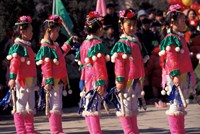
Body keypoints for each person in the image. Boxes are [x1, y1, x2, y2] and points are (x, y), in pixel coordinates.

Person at [159, 4, 195, 134]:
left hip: (183, 75)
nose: (184, 21)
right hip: (176, 77)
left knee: (180, 107)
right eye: (181, 19)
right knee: (175, 107)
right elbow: (171, 59)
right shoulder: (171, 39)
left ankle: (179, 131)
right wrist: (175, 74)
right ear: (173, 21)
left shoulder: (179, 37)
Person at [35, 15, 75, 134]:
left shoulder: (54, 46)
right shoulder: (46, 47)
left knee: (57, 105)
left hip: (58, 80)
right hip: (52, 81)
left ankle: (58, 130)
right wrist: (48, 81)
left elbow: (61, 52)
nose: (58, 34)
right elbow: (46, 66)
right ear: (48, 31)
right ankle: (55, 131)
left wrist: (69, 42)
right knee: (54, 106)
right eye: (56, 31)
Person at [110, 9, 145, 134]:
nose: (132, 28)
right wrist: (119, 80)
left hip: (135, 80)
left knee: (133, 108)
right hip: (125, 81)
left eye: (134, 25)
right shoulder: (121, 43)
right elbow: (119, 64)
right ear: (122, 25)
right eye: (128, 25)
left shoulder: (136, 42)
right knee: (125, 108)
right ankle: (129, 131)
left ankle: (134, 131)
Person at [75, 11, 109, 134]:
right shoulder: (96, 44)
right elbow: (98, 64)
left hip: (85, 78)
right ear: (99, 29)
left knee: (89, 106)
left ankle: (92, 131)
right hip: (94, 77)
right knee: (94, 106)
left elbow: (81, 62)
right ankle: (96, 132)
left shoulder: (84, 43)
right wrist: (101, 81)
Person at [6, 16, 39, 133]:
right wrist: (12, 78)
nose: (32, 32)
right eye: (30, 30)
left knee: (30, 105)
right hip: (21, 81)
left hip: (30, 81)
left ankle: (30, 130)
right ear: (22, 32)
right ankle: (21, 131)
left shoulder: (27, 46)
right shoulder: (18, 47)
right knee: (20, 106)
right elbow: (14, 64)